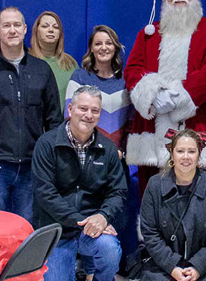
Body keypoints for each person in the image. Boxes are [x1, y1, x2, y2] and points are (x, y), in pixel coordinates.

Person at [125, 0, 206, 170]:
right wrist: (152, 94)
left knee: (199, 195)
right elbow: (132, 70)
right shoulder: (148, 34)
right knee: (152, 195)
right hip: (151, 133)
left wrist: (177, 97)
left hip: (196, 126)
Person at [0, 7, 64, 218]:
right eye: (7, 25)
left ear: (25, 29)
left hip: (32, 167)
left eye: (17, 25)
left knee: (26, 230)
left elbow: (54, 119)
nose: (12, 30)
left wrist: (46, 159)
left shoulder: (42, 70)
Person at [33, 86, 129, 281]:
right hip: (57, 231)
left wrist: (103, 216)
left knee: (110, 249)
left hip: (93, 231)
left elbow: (118, 192)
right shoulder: (46, 144)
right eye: (83, 108)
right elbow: (45, 193)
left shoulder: (108, 149)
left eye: (95, 110)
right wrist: (82, 221)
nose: (88, 115)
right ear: (70, 109)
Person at [66, 25, 139, 260]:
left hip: (118, 160)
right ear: (91, 48)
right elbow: (71, 118)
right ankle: (85, 267)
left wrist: (122, 151)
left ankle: (108, 267)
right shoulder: (79, 77)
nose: (103, 47)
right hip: (83, 160)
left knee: (117, 214)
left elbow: (133, 122)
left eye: (108, 43)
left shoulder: (126, 80)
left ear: (116, 47)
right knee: (85, 209)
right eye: (98, 43)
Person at [139, 128, 206, 281]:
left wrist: (198, 266)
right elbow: (150, 233)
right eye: (180, 151)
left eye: (191, 151)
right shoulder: (154, 185)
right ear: (172, 154)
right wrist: (172, 267)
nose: (186, 157)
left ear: (199, 154)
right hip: (161, 265)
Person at [32, 11, 78, 105]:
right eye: (45, 26)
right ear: (36, 31)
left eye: (56, 27)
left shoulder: (71, 63)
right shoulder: (26, 60)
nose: (51, 30)